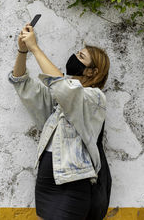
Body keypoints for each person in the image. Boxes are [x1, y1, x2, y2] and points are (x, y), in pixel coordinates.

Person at [8, 23, 110, 220]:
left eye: (81, 57)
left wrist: (35, 48)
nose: (74, 58)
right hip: (47, 179)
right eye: (77, 53)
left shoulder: (94, 98)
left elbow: (64, 88)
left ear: (91, 71)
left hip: (72, 181)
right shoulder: (58, 99)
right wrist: (23, 50)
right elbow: (21, 82)